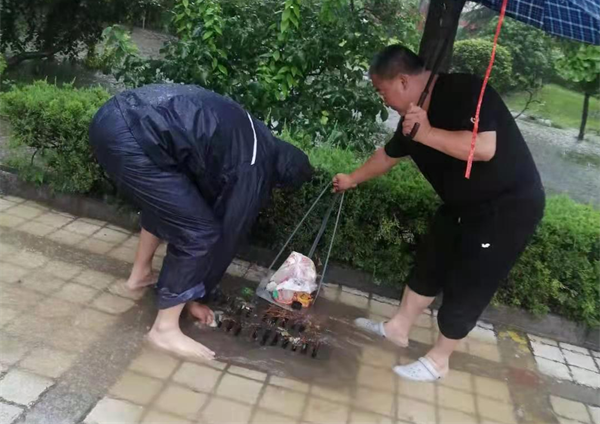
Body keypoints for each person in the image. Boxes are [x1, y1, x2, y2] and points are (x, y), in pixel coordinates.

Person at [333, 45, 545, 382]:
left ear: (403, 81)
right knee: (431, 260)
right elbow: (388, 155)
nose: (382, 99)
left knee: (470, 280)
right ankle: (398, 329)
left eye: (381, 90)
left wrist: (428, 133)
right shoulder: (413, 118)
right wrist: (352, 179)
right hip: (461, 204)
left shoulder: (467, 91)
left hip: (505, 209)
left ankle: (438, 361)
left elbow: (484, 147)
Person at [89, 84, 312, 360]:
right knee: (199, 232)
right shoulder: (256, 167)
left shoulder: (254, 134)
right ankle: (164, 330)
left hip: (114, 115)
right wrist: (195, 297)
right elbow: (227, 237)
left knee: (172, 205)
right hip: (134, 137)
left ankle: (139, 276)